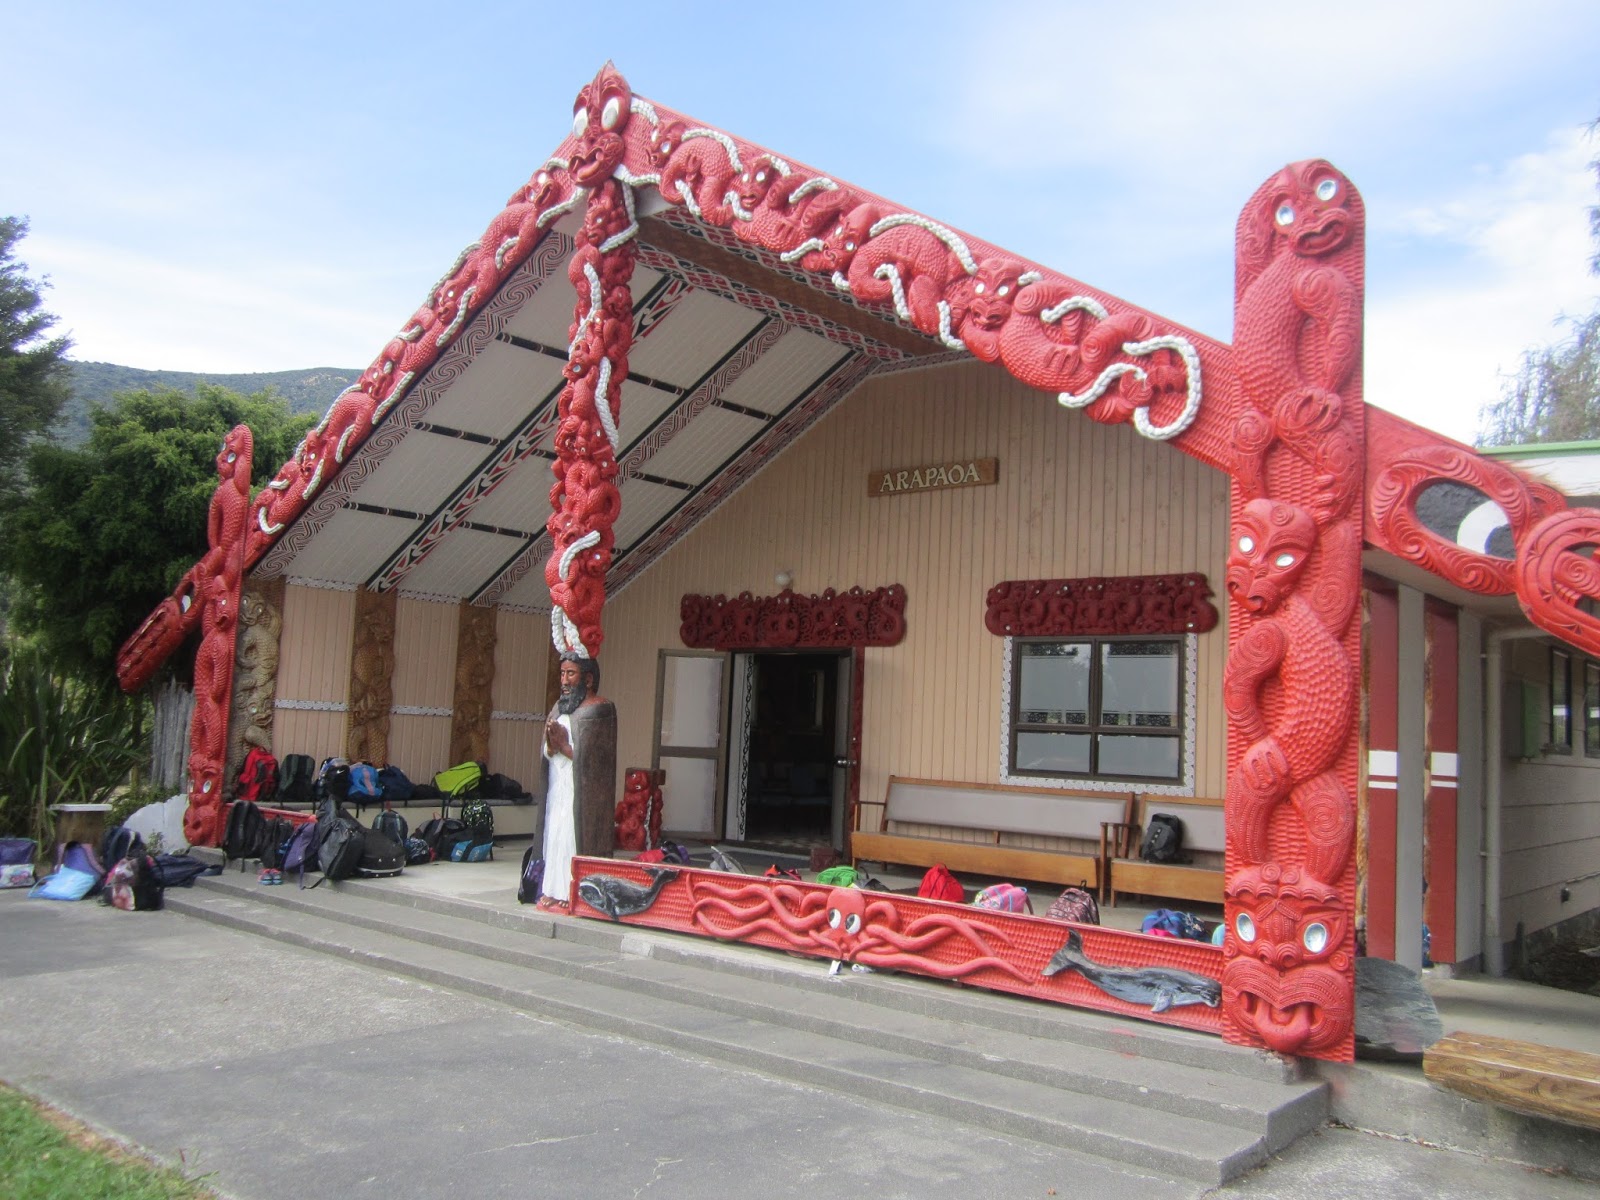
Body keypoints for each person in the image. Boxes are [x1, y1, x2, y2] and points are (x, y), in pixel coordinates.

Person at [537, 653, 616, 911]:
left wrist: (564, 746)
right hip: (558, 787)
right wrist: (551, 746)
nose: (565, 680)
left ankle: (574, 890)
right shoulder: (559, 708)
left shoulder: (600, 709)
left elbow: (598, 762)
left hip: (582, 793)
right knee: (555, 835)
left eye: (571, 673)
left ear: (588, 679)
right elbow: (548, 752)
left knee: (572, 836)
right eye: (562, 674)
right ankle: (553, 888)